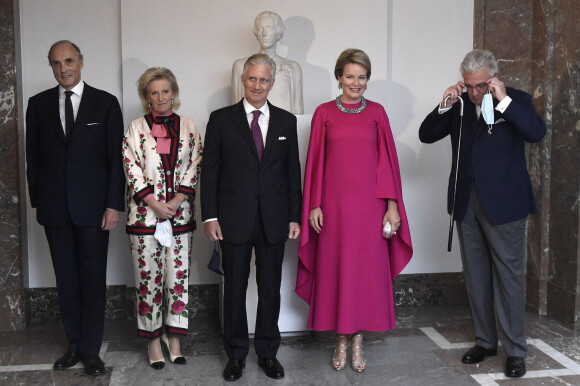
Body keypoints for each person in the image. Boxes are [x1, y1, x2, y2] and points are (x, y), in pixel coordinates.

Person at [418, 49, 546, 378]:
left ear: (494, 78)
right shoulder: (460, 106)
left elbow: (536, 133)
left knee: (509, 279)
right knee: (476, 278)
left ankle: (516, 350)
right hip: (466, 203)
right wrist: (445, 103)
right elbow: (426, 134)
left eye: (481, 86)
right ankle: (486, 341)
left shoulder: (515, 99)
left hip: (505, 204)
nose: (475, 93)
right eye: (469, 86)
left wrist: (502, 100)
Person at [295, 49, 413, 373]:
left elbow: (387, 161)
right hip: (333, 208)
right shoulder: (323, 114)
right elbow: (315, 162)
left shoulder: (377, 112)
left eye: (362, 77)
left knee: (363, 273)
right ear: (339, 77)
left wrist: (392, 207)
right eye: (350, 76)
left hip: (369, 207)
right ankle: (340, 339)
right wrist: (315, 204)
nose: (356, 83)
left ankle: (358, 339)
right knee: (337, 270)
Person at [25, 40, 125, 376]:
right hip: (55, 210)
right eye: (56, 63)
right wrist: (38, 202)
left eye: (69, 61)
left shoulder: (105, 103)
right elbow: (33, 159)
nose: (63, 68)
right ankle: (73, 345)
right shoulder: (37, 105)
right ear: (50, 67)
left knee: (93, 279)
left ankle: (91, 350)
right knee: (65, 279)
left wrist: (114, 205)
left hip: (95, 210)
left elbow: (115, 160)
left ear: (81, 62)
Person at [201, 53, 302, 381]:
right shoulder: (220, 119)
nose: (257, 85)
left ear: (272, 83)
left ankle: (268, 352)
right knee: (235, 289)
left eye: (264, 80)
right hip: (232, 218)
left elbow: (292, 174)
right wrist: (210, 217)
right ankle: (236, 354)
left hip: (274, 219)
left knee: (271, 289)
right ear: (243, 80)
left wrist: (294, 216)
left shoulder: (287, 121)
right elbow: (211, 173)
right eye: (252, 79)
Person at [121, 67, 202, 370]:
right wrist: (154, 203)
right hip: (144, 218)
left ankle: (175, 338)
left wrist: (178, 199)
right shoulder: (135, 128)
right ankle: (153, 340)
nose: (160, 97)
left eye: (165, 91)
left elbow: (196, 162)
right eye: (153, 92)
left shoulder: (190, 126)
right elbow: (131, 168)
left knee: (177, 279)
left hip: (180, 217)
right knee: (148, 280)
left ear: (174, 92)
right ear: (146, 96)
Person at [231, 11, 303, 114]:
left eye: (269, 28)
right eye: (260, 28)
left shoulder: (293, 67)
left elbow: (298, 111)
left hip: (283, 127)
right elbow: (235, 108)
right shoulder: (240, 65)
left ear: (278, 32)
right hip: (248, 127)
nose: (264, 33)